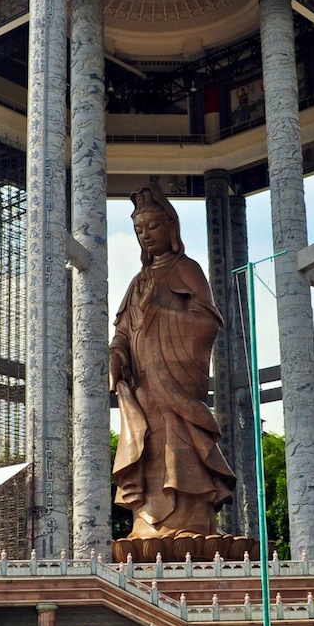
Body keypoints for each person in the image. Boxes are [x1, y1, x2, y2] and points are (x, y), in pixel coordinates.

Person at [110, 186, 235, 540]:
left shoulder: (187, 270)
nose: (145, 235)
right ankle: (147, 525)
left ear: (171, 228)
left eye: (152, 226)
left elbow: (208, 322)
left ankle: (191, 520)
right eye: (139, 230)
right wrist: (117, 352)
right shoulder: (138, 282)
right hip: (145, 386)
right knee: (148, 447)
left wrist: (162, 311)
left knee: (180, 446)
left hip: (176, 384)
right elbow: (123, 329)